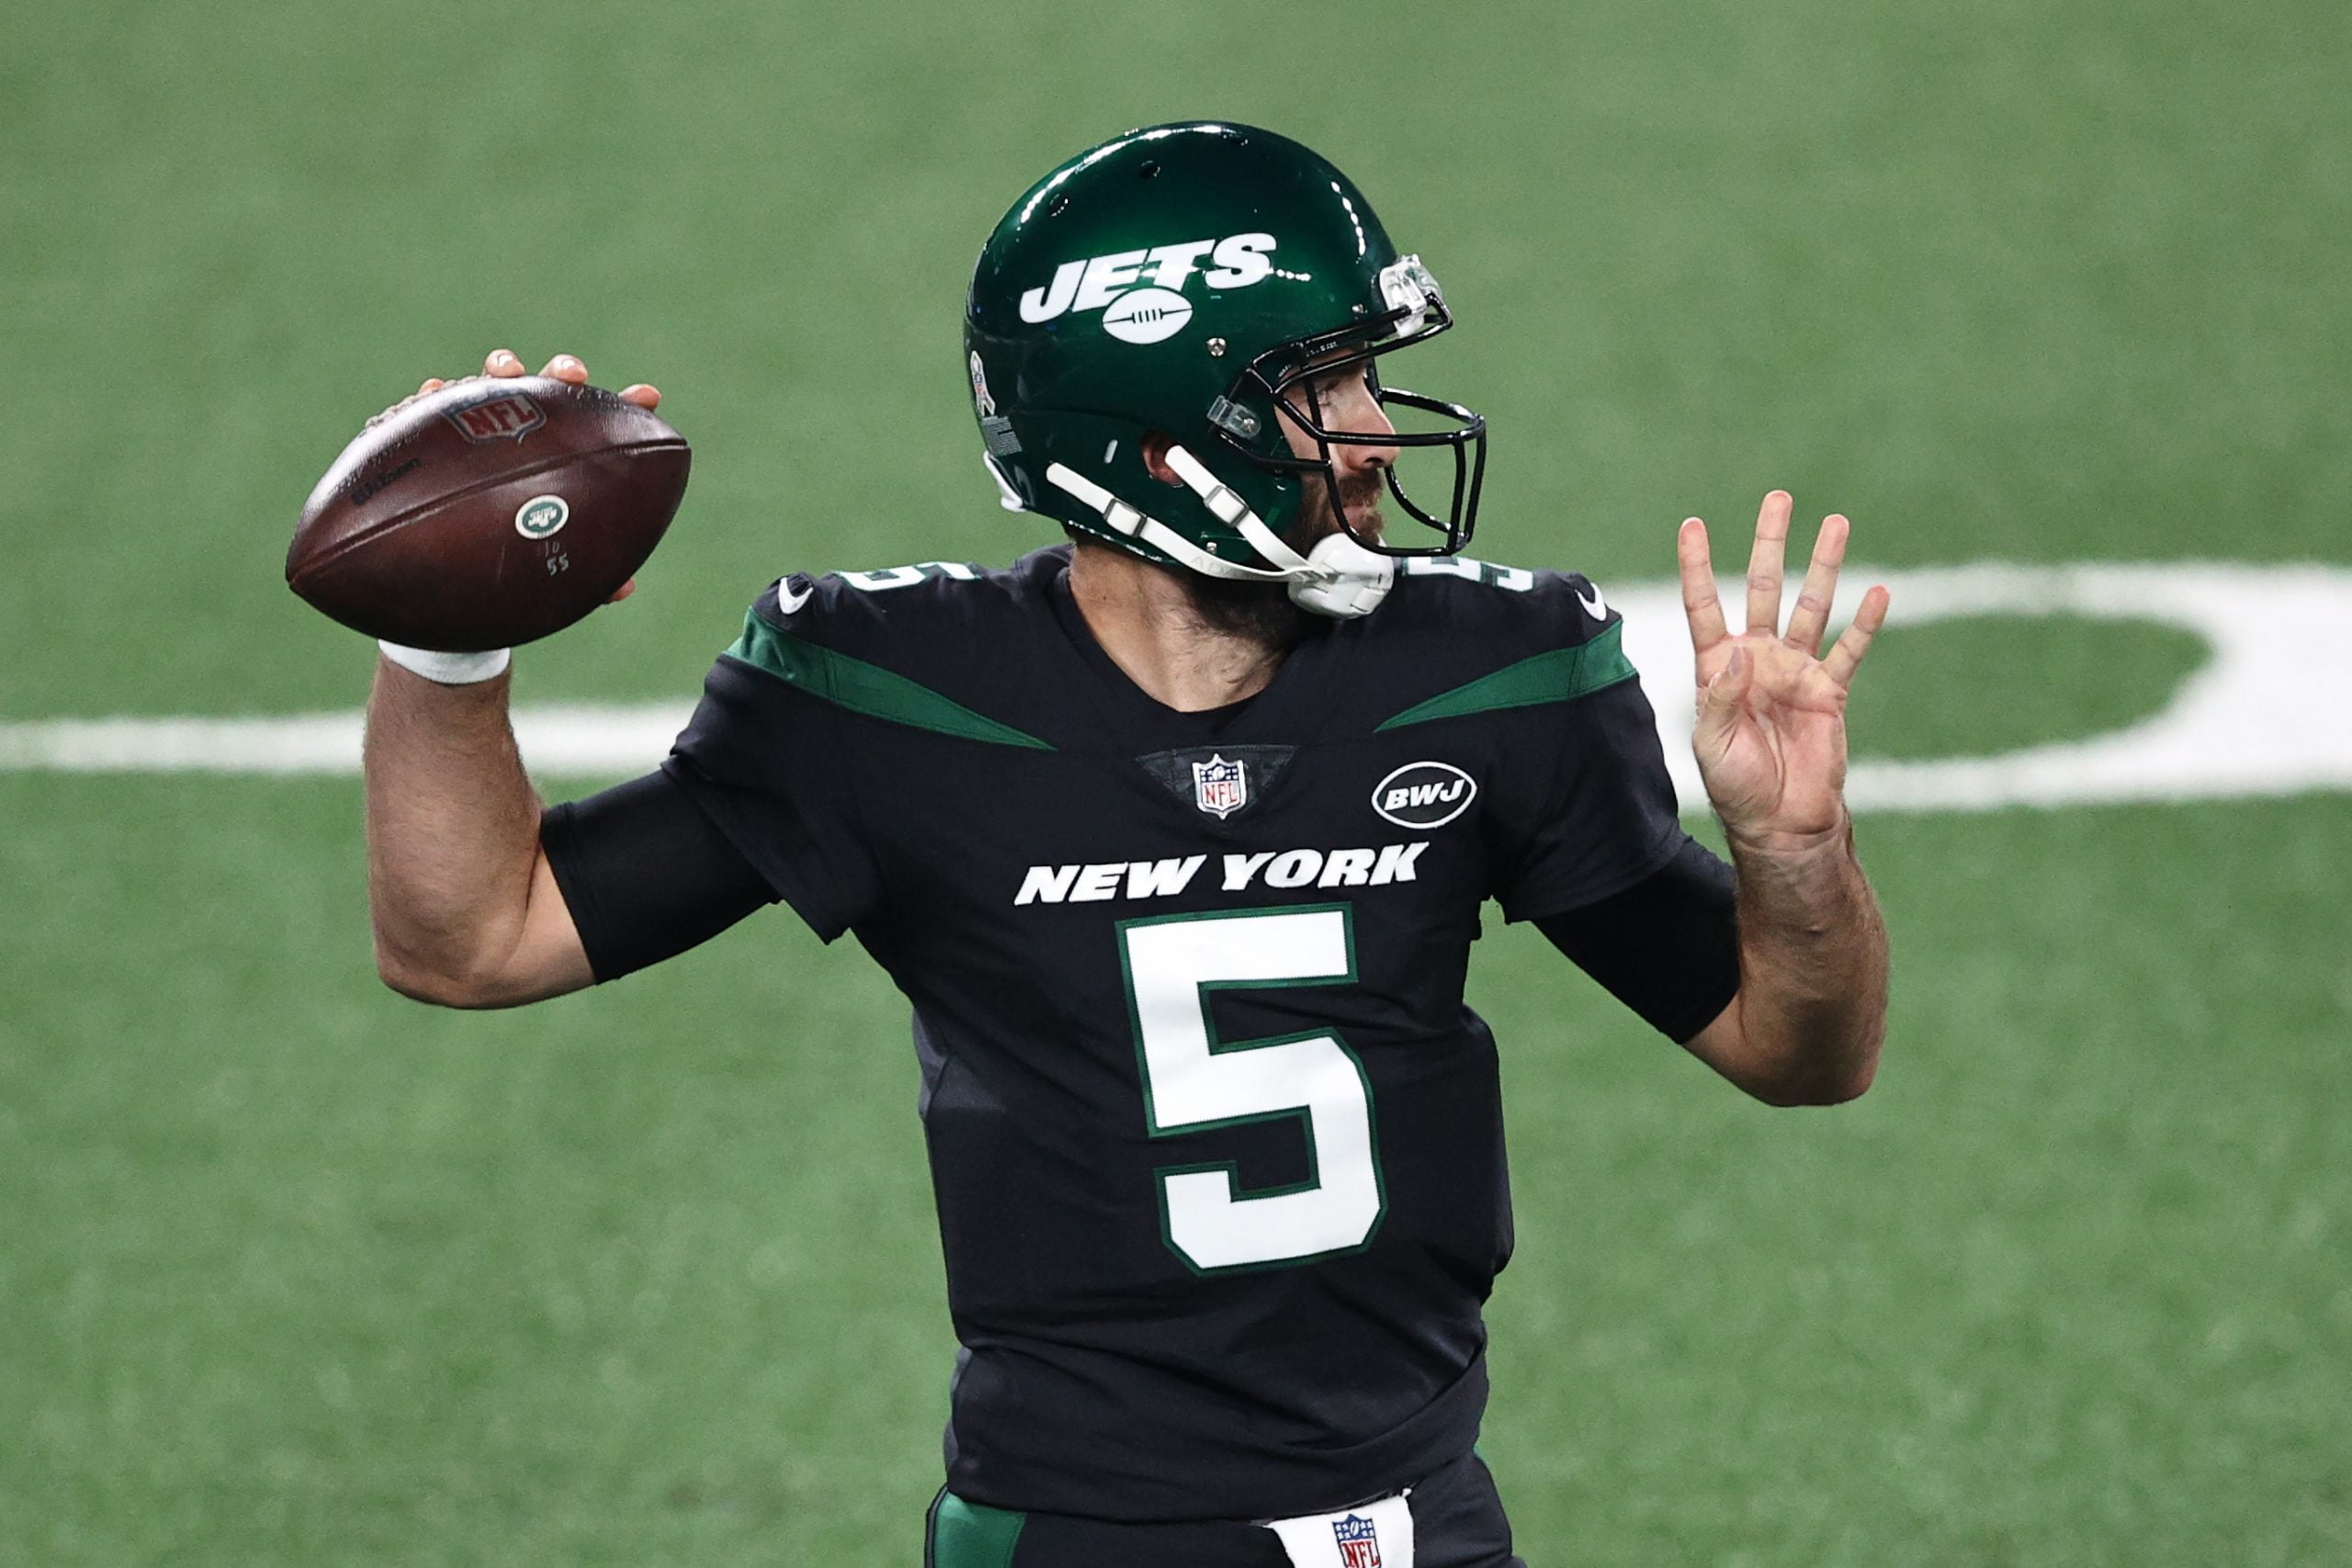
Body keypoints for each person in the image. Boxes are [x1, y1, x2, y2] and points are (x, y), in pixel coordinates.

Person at [357, 122, 1890, 1568]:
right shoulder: (888, 695)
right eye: (1324, 386)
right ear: (1161, 449)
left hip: (1417, 1516)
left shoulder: (1494, 675)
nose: (1373, 432)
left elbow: (1800, 1051)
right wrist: (446, 640)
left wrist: (1795, 849)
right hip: (1076, 1531)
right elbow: (473, 939)